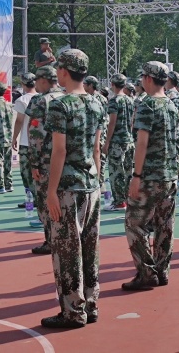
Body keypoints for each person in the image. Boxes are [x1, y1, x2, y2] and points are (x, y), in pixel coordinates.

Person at [41, 49, 105, 329]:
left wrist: (50, 191)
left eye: (58, 69)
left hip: (68, 187)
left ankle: (72, 311)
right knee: (90, 248)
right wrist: (98, 180)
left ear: (64, 72)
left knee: (67, 251)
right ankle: (90, 304)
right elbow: (96, 149)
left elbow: (59, 151)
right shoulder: (96, 103)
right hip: (91, 184)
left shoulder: (60, 105)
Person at [123, 61, 179, 291]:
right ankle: (162, 270)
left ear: (148, 79)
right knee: (165, 225)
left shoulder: (147, 104)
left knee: (134, 224)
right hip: (169, 174)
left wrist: (136, 175)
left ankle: (147, 272)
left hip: (150, 175)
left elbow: (142, 142)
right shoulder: (171, 104)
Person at [26, 66, 65, 254]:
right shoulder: (66, 97)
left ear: (43, 80)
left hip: (46, 159)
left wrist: (34, 162)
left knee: (45, 200)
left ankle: (51, 240)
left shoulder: (40, 101)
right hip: (64, 159)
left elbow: (36, 134)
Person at [105, 74, 136, 212]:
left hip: (117, 141)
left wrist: (107, 142)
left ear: (112, 84)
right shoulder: (130, 100)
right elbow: (132, 121)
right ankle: (128, 198)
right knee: (128, 172)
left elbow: (112, 123)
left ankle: (119, 201)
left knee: (116, 172)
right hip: (128, 140)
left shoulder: (114, 101)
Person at [12, 73, 38, 207]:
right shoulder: (42, 98)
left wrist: (14, 138)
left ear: (23, 84)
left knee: (26, 172)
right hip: (40, 141)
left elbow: (19, 121)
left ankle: (31, 197)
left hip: (25, 142)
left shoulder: (22, 100)